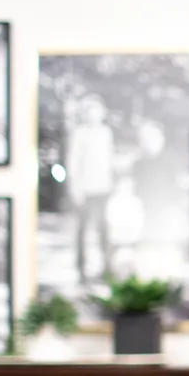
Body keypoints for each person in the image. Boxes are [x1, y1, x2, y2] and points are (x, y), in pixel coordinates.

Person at [68, 95, 116, 284]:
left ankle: (107, 267)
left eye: (97, 111)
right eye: (90, 111)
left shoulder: (106, 133)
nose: (94, 115)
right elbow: (73, 163)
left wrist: (111, 183)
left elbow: (108, 160)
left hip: (102, 188)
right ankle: (81, 269)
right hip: (84, 189)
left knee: (103, 228)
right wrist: (75, 188)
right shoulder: (80, 133)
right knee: (82, 229)